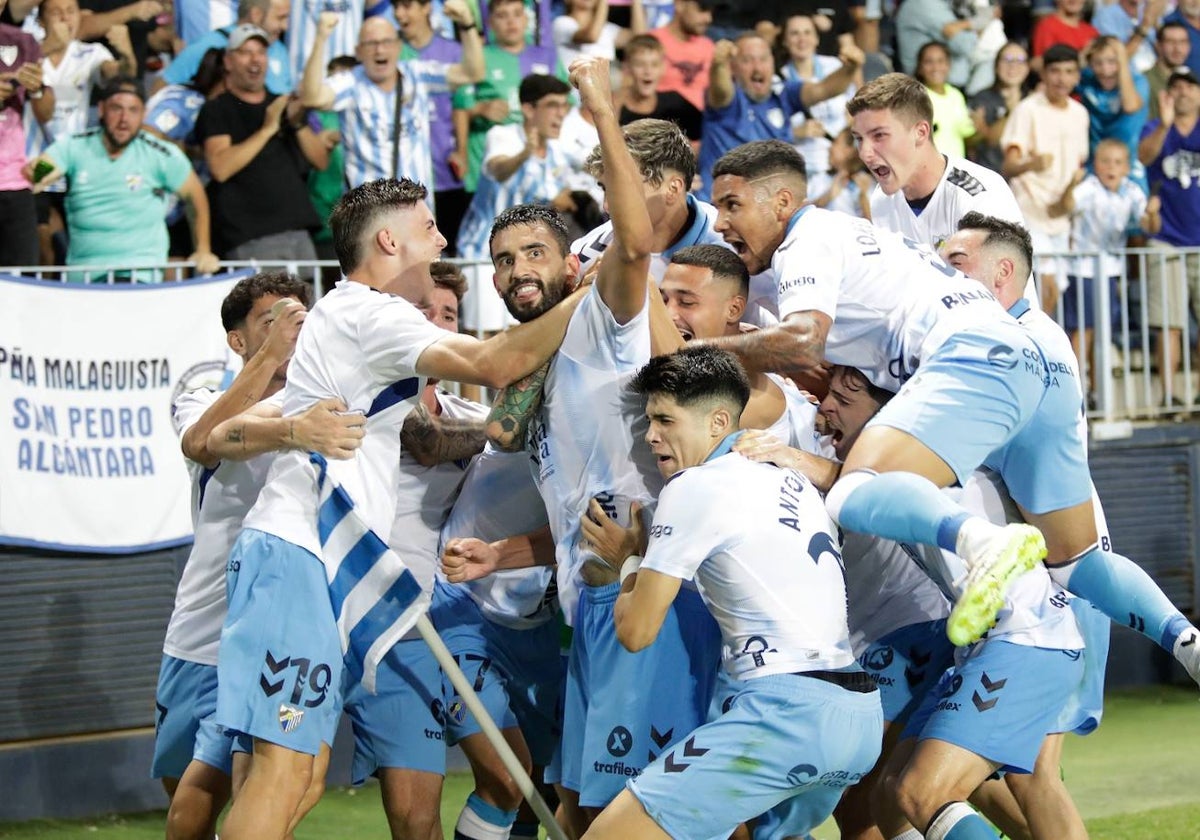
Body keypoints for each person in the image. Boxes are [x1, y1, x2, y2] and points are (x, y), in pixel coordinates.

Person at [702, 139, 1200, 680]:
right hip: (1035, 360)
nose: (723, 223)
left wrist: (697, 351)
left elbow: (802, 342)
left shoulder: (808, 238)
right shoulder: (863, 242)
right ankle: (1185, 639)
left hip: (972, 359)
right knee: (1074, 560)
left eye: (732, 205)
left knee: (853, 490)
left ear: (781, 203)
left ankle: (984, 543)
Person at [212, 175, 587, 840]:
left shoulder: (348, 321)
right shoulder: (367, 313)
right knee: (281, 773)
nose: (442, 241)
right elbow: (497, 364)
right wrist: (591, 298)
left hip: (327, 568)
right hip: (298, 553)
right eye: (428, 228)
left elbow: (219, 437)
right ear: (390, 240)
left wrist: (290, 429)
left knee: (294, 775)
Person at [471, 56, 721, 835]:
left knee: (659, 810)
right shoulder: (534, 360)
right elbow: (501, 427)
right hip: (591, 608)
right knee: (581, 811)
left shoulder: (603, 318)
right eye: (503, 260)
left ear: (573, 261)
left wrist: (602, 110)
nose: (517, 270)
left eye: (534, 253)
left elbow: (637, 246)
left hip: (647, 593)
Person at [578, 344, 883, 840]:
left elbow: (635, 632)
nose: (650, 435)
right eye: (647, 419)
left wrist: (628, 559)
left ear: (718, 422)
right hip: (856, 716)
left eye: (664, 420)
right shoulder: (788, 477)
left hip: (786, 715)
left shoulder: (694, 486)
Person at [156, 272, 363, 840]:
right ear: (237, 341)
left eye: (296, 319)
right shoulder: (202, 397)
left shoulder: (327, 397)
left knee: (291, 776)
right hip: (203, 630)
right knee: (191, 793)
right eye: (268, 322)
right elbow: (204, 440)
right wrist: (280, 378)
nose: (288, 333)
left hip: (289, 619)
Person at [341, 264, 491, 840]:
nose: (434, 325)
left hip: (411, 627)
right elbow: (425, 443)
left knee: (421, 817)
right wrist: (507, 427)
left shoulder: (471, 416)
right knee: (290, 787)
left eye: (447, 316)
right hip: (342, 619)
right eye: (421, 313)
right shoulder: (369, 395)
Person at [26, 76, 217, 281]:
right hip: (85, 278)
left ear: (143, 114)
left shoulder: (161, 153)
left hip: (142, 276)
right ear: (101, 110)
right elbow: (42, 169)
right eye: (116, 108)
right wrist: (37, 173)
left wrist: (203, 249)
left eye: (133, 110)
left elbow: (195, 195)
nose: (124, 118)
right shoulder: (75, 146)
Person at [301, 6, 483, 190]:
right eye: (371, 44)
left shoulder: (416, 74)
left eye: (387, 41)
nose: (380, 50)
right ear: (358, 51)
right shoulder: (351, 83)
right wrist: (321, 38)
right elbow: (312, 98)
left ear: (398, 46)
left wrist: (467, 25)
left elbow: (472, 73)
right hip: (368, 212)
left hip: (416, 208)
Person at [848, 72, 1024, 256]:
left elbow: (1004, 284)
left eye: (879, 135)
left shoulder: (980, 197)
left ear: (920, 132)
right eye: (859, 138)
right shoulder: (881, 201)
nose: (864, 153)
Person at [195, 24, 324, 262]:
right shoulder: (216, 109)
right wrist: (267, 130)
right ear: (228, 62)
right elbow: (220, 168)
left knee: (306, 300)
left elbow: (321, 160)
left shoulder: (282, 104)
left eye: (261, 52)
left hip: (300, 232)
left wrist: (297, 122)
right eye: (245, 52)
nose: (255, 59)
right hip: (251, 237)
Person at [1050, 138, 1160, 406]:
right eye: (1105, 161)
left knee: (1102, 332)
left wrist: (1152, 214)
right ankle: (1076, 389)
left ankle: (1098, 391)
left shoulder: (1133, 191)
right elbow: (1064, 207)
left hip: (1111, 272)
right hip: (1083, 270)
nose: (1111, 167)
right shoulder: (1088, 188)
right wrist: (1071, 185)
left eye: (1118, 162)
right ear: (1095, 165)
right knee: (1082, 331)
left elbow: (1149, 225)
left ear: (1126, 167)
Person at [697, 31, 862, 200]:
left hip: (762, 208)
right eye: (747, 60)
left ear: (772, 62)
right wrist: (719, 65)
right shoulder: (728, 101)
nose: (757, 67)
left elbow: (824, 89)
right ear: (733, 67)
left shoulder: (783, 93)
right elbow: (720, 90)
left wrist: (850, 67)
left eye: (763, 59)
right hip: (717, 206)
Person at [31, 0, 135, 265]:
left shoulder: (91, 53)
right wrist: (48, 47)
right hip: (35, 162)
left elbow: (115, 75)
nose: (65, 18)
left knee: (75, 243)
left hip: (77, 166)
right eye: (56, 12)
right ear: (41, 21)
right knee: (42, 245)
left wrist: (126, 57)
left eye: (71, 11)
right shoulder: (28, 50)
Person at [1001, 43, 1089, 312]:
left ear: (1077, 76)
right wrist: (1032, 163)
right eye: (1055, 71)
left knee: (1055, 295)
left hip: (1062, 216)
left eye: (1069, 72)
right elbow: (1009, 165)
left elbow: (1079, 163)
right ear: (1044, 75)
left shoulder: (1080, 114)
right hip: (1030, 212)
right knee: (1044, 289)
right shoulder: (1028, 109)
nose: (1062, 79)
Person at [394, 0, 484, 254]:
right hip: (407, 170)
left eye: (407, 5)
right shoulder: (393, 52)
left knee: (447, 247)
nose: (399, 12)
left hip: (445, 167)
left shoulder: (452, 51)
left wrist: (462, 150)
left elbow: (461, 103)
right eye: (396, 7)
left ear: (426, 8)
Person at [456, 73, 575, 263]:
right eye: (552, 105)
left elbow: (562, 196)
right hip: (482, 254)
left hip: (525, 257)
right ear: (528, 109)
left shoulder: (557, 152)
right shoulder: (503, 136)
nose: (561, 114)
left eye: (564, 106)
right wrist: (525, 153)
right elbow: (498, 171)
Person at [451, 0, 564, 195]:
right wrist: (480, 110)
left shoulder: (548, 57)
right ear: (490, 22)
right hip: (486, 158)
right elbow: (460, 107)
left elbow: (567, 102)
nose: (511, 22)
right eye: (502, 16)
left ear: (526, 18)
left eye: (517, 14)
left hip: (539, 158)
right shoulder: (478, 57)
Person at [1137, 64, 1200, 407]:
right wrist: (1164, 123)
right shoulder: (1155, 126)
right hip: (1167, 238)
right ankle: (1168, 394)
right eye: (1177, 86)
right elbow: (1144, 156)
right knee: (1168, 323)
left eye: (1191, 86)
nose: (1184, 91)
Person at [0, 0, 53, 268]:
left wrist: (37, 90)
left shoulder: (23, 42)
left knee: (21, 282)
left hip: (14, 183)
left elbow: (46, 112)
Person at [778, 13, 858, 179]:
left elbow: (856, 112)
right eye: (794, 33)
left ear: (817, 39)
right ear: (785, 41)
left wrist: (844, 141)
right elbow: (769, 128)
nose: (802, 39)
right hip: (800, 169)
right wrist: (794, 132)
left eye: (807, 33)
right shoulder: (777, 80)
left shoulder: (836, 67)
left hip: (840, 165)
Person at [159, 0, 292, 95]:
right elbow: (162, 86)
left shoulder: (279, 49)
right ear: (256, 15)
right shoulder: (209, 45)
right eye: (280, 18)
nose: (285, 26)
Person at [1077, 36, 1149, 185]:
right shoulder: (1088, 80)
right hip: (1094, 168)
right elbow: (1065, 75)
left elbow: (1130, 106)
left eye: (1112, 62)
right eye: (1098, 63)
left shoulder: (1138, 82)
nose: (1105, 70)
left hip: (1128, 169)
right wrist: (1081, 58)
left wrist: (1123, 59)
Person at [613, 33, 701, 146]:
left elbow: (699, 139)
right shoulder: (614, 105)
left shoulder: (675, 103)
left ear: (663, 68)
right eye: (640, 64)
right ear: (627, 68)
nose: (648, 71)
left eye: (654, 65)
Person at [967, 41, 1032, 175]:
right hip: (990, 176)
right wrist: (1011, 112)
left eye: (1020, 60)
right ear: (996, 66)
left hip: (1024, 180)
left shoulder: (1033, 100)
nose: (1013, 66)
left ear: (1027, 68)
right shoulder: (982, 98)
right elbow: (988, 141)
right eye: (1007, 60)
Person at [647, 0, 714, 113]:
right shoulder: (651, 42)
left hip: (700, 124)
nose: (708, 19)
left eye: (711, 12)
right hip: (660, 121)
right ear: (679, 4)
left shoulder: (710, 47)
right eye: (702, 10)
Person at [915, 41, 976, 159]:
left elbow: (967, 132)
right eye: (929, 62)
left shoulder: (956, 95)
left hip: (956, 169)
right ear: (920, 67)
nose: (935, 67)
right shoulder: (917, 97)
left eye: (940, 61)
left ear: (949, 65)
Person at [552, 0, 644, 69]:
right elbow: (591, 37)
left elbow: (639, 39)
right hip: (575, 92)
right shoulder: (562, 23)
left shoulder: (607, 28)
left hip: (604, 89)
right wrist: (603, 4)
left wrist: (636, 2)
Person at [807, 127, 873, 219]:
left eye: (835, 142)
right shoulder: (820, 179)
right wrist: (827, 197)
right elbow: (796, 213)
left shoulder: (870, 186)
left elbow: (877, 228)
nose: (830, 147)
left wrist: (863, 197)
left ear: (849, 151)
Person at [1031, 0, 1099, 70]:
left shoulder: (1091, 31)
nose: (1074, 1)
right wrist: (1081, 56)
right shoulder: (1046, 26)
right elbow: (1040, 63)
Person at [1147, 20, 1192, 120]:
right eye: (1171, 42)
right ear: (1158, 46)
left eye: (1183, 42)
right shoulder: (1145, 81)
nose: (1178, 49)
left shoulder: (1193, 80)